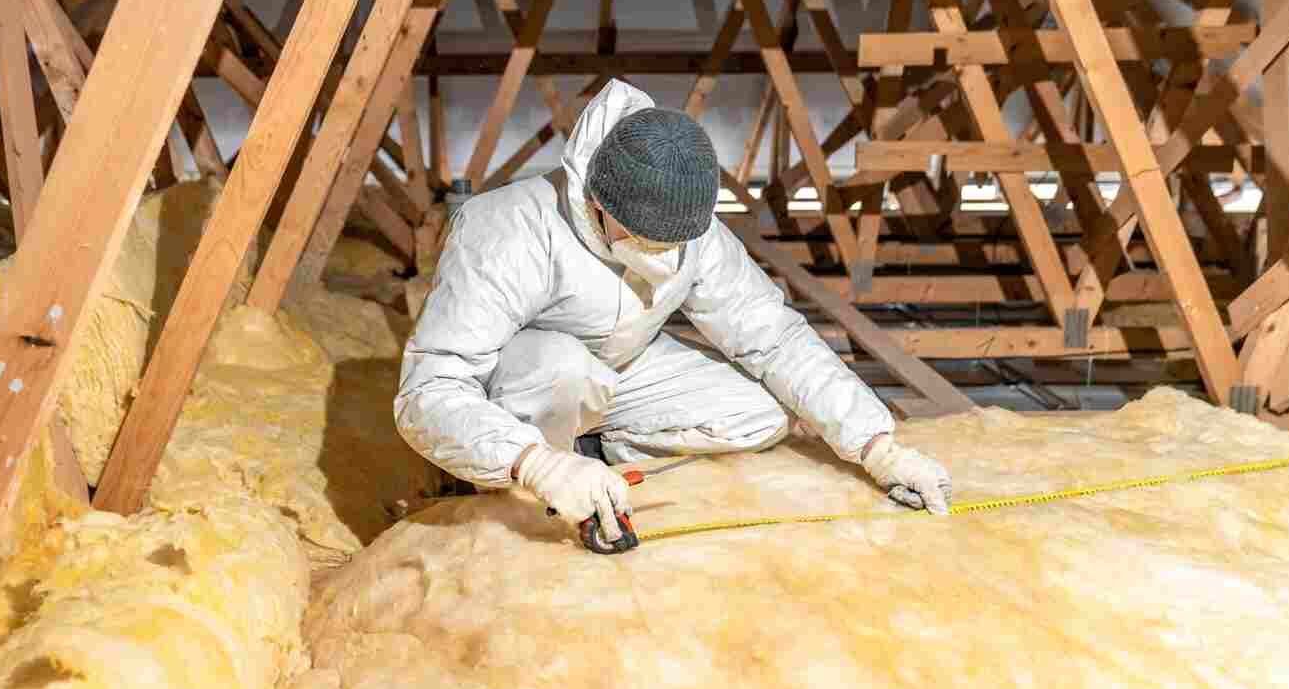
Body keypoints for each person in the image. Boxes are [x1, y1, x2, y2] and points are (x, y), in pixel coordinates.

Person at [396, 81, 952, 551]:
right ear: (597, 202)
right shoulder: (508, 229)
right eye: (644, 239)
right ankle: (514, 471)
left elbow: (774, 336)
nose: (661, 255)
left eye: (672, 243)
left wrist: (878, 446)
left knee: (763, 412)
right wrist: (536, 463)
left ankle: (593, 454)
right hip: (524, 384)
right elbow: (429, 389)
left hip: (619, 372)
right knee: (563, 366)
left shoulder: (690, 227)